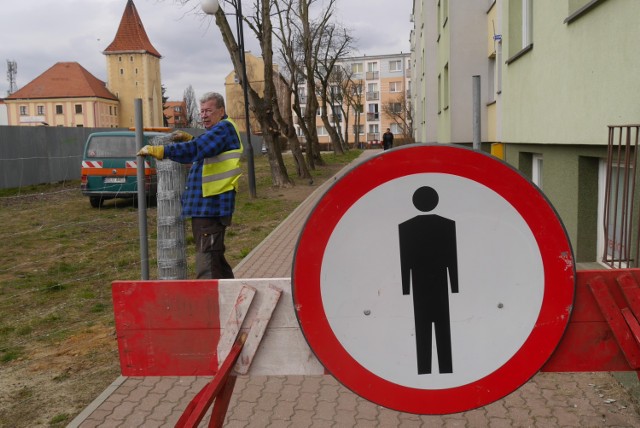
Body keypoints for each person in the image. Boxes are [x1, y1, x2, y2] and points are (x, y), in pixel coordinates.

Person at [137, 92, 242, 279]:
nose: (204, 115)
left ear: (221, 111)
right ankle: (231, 298)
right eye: (202, 111)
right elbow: (206, 149)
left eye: (209, 110)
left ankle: (208, 302)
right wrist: (191, 140)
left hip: (210, 206)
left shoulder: (223, 129)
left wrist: (162, 151)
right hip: (208, 205)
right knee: (215, 257)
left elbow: (197, 150)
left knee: (207, 262)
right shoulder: (218, 131)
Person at [398, 186, 459, 374]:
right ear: (435, 201)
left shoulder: (406, 227)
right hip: (440, 282)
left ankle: (424, 369)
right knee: (443, 326)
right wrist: (454, 285)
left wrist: (406, 288)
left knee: (422, 326)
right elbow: (452, 258)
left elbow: (405, 261)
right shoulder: (447, 225)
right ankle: (446, 368)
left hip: (419, 283)